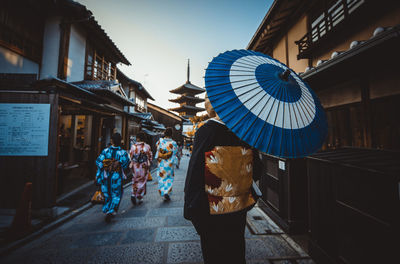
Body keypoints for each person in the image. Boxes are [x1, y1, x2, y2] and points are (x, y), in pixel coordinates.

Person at [184, 94, 263, 264]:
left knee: (214, 254)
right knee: (235, 251)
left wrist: (191, 208)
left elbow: (195, 174)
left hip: (212, 208)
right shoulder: (244, 131)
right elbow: (257, 171)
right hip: (237, 206)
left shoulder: (207, 130)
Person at [95, 133, 130, 222]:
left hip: (106, 175)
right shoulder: (123, 153)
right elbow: (126, 164)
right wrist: (118, 163)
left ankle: (107, 209)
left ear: (111, 141)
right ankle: (112, 210)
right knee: (116, 193)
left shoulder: (106, 151)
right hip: (116, 176)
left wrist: (100, 173)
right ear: (120, 141)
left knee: (106, 193)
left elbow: (99, 162)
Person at [155, 127, 178, 201]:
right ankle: (167, 192)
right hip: (169, 163)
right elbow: (175, 152)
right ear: (171, 134)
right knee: (169, 178)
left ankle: (162, 191)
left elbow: (157, 148)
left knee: (161, 177)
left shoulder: (160, 141)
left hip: (161, 162)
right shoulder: (173, 143)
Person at [129, 131, 153, 205]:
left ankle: (133, 193)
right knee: (142, 181)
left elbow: (130, 156)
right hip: (143, 165)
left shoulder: (133, 147)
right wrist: (149, 162)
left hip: (135, 165)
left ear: (138, 138)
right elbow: (150, 156)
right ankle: (139, 196)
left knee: (135, 180)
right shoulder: (147, 146)